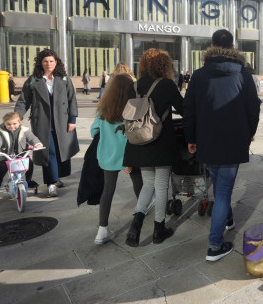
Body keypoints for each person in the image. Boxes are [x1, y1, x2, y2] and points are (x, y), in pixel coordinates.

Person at [184, 29, 261, 262]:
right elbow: (253, 108)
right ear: (233, 47)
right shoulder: (242, 74)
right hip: (233, 139)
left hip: (207, 140)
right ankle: (215, 246)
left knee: (219, 185)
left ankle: (227, 220)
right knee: (224, 191)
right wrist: (249, 133)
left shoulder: (198, 75)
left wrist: (191, 138)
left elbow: (189, 110)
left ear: (211, 46)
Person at [122, 48, 184, 247]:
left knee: (148, 184)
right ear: (164, 65)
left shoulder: (134, 86)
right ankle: (159, 229)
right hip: (161, 142)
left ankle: (135, 226)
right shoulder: (167, 84)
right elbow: (183, 108)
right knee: (161, 185)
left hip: (139, 141)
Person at [15, 49, 80, 198]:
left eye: (51, 61)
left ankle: (57, 177)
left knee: (60, 150)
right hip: (42, 123)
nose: (48, 64)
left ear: (56, 63)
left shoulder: (63, 79)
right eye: (45, 61)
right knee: (48, 152)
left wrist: (72, 120)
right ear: (41, 63)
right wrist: (17, 117)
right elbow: (23, 101)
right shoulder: (33, 80)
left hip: (62, 122)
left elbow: (71, 100)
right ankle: (51, 184)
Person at [90, 74, 134, 244]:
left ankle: (102, 230)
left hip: (108, 156)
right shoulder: (131, 108)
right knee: (139, 186)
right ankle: (140, 222)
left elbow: (94, 131)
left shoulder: (103, 109)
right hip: (129, 155)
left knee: (107, 191)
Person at [0, 111, 43, 192]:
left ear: (19, 122)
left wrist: (37, 144)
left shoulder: (24, 131)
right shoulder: (1, 133)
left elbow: (32, 138)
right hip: (7, 155)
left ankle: (28, 180)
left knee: (29, 163)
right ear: (4, 124)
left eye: (14, 123)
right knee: (3, 167)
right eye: (8, 124)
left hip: (21, 154)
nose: (11, 126)